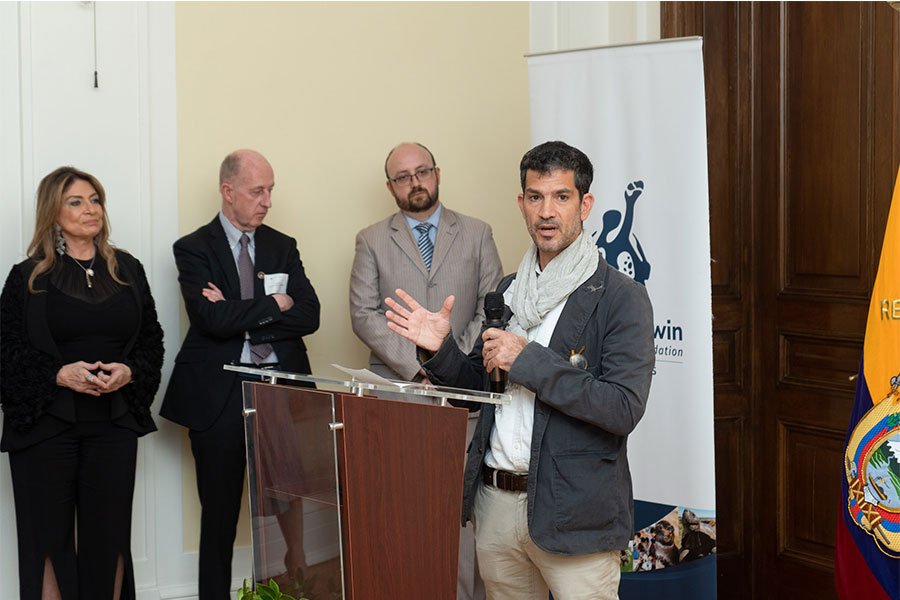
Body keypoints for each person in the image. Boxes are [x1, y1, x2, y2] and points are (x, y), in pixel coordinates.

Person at [384, 141, 655, 600]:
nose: (546, 211)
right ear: (521, 203)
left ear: (585, 204)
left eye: (561, 197)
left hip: (574, 514)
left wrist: (526, 359)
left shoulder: (620, 296)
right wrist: (439, 350)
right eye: (535, 197)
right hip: (496, 505)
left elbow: (622, 407)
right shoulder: (511, 289)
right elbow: (478, 387)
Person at [160, 149, 320, 600]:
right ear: (228, 192)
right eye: (257, 191)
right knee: (220, 516)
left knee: (291, 505)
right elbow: (209, 321)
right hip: (220, 395)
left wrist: (236, 311)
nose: (267, 200)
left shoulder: (281, 245)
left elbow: (310, 314)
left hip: (281, 391)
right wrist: (274, 305)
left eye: (271, 190)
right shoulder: (193, 248)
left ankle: (298, 588)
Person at [0, 166, 165, 600]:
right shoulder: (27, 277)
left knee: (108, 537)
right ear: (53, 213)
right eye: (76, 201)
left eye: (95, 200)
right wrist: (58, 374)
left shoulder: (128, 269)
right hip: (46, 424)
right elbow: (7, 353)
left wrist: (129, 372)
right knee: (48, 540)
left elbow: (152, 340)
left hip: (112, 422)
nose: (90, 209)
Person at [349, 141, 503, 600]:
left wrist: (449, 362)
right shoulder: (371, 239)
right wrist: (418, 371)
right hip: (399, 394)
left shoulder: (477, 233)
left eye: (422, 171)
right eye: (403, 176)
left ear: (437, 173)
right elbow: (363, 314)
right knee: (401, 513)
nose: (415, 182)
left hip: (465, 396)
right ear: (390, 186)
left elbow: (491, 306)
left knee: (461, 515)